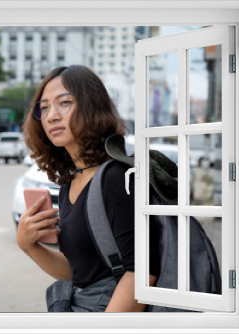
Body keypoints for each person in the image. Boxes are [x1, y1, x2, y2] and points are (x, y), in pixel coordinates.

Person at [17, 65, 158, 312]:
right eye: (44, 107)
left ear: (91, 107)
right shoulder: (71, 181)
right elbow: (79, 272)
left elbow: (142, 272)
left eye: (64, 103)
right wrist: (29, 245)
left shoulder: (115, 177)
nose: (52, 116)